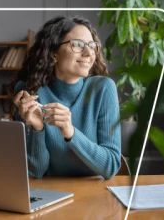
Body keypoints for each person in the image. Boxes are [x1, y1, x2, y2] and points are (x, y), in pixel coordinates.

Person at [7, 15, 121, 180]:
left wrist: (71, 132)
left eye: (92, 46)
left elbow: (111, 166)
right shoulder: (29, 92)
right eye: (77, 45)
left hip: (95, 194)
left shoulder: (103, 89)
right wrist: (37, 129)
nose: (89, 53)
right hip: (50, 194)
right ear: (54, 53)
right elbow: (35, 171)